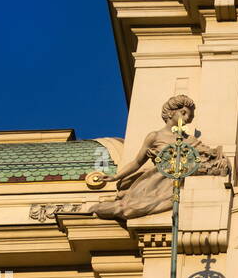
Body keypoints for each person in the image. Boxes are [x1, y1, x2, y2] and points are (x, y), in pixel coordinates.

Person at [92, 95, 229, 221]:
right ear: (170, 113)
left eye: (190, 116)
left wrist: (219, 159)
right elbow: (137, 162)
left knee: (140, 207)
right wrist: (116, 177)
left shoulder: (190, 140)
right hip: (156, 181)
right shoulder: (155, 136)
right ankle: (94, 209)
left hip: (177, 183)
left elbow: (209, 155)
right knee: (129, 208)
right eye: (184, 113)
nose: (187, 118)